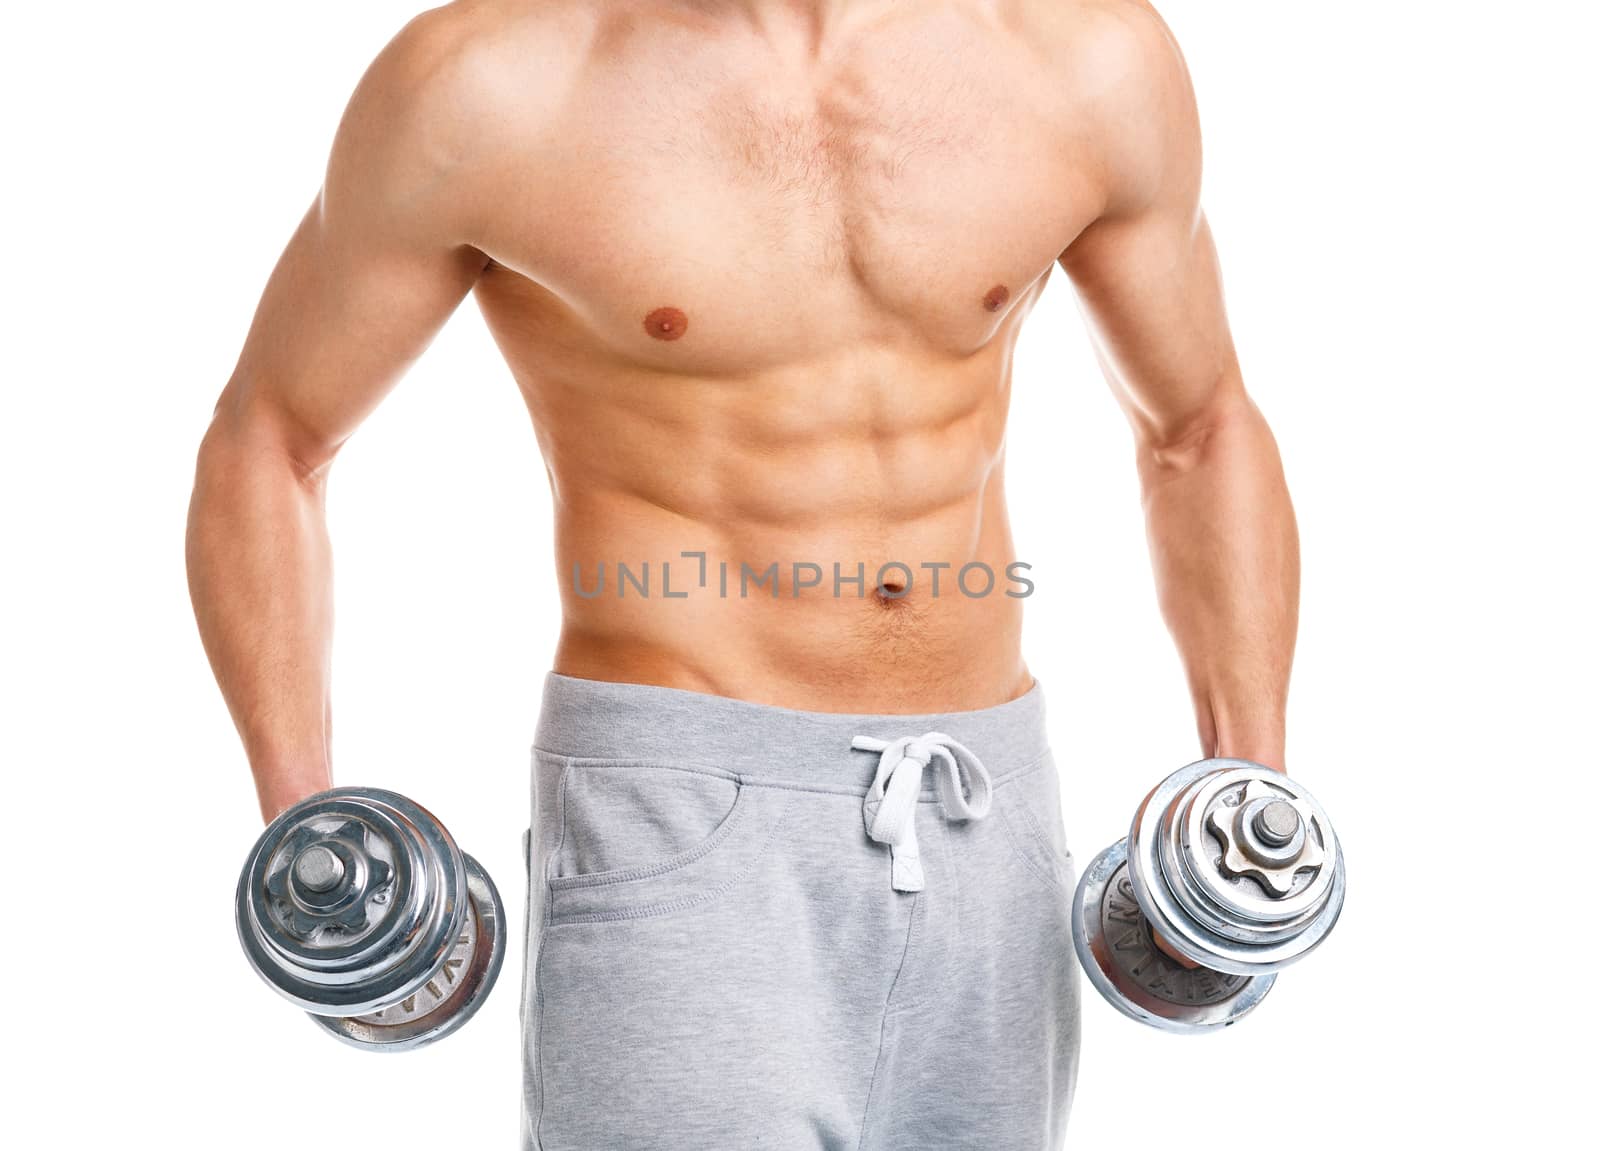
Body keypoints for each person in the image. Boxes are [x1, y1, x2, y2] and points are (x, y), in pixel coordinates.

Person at [187, 2, 1298, 1146]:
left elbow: (1200, 426)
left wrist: (1255, 800)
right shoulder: (493, 80)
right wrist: (306, 834)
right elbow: (269, 437)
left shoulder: (1079, 54)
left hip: (981, 806)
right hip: (675, 812)